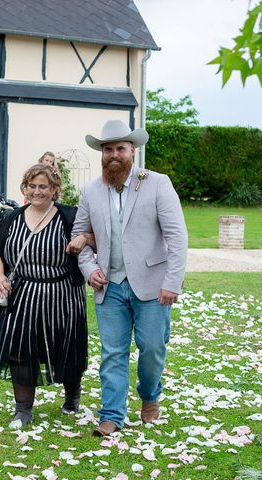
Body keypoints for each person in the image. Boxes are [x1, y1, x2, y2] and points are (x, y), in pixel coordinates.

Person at [72, 119, 188, 437]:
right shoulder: (91, 191)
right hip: (108, 286)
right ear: (102, 153)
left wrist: (172, 282)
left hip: (153, 286)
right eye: (107, 149)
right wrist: (89, 269)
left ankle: (149, 396)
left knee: (152, 348)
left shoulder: (157, 183)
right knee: (112, 353)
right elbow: (79, 235)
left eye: (120, 148)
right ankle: (111, 415)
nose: (113, 155)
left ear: (132, 151)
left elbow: (177, 237)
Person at [0, 163, 91, 428]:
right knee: (20, 350)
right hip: (22, 295)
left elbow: (98, 238)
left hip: (63, 295)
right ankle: (23, 410)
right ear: (25, 188)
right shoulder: (12, 217)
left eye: (43, 186)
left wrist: (85, 237)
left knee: (67, 349)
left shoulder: (69, 216)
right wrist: (0, 276)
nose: (37, 191)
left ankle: (71, 398)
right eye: (32, 186)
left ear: (55, 190)